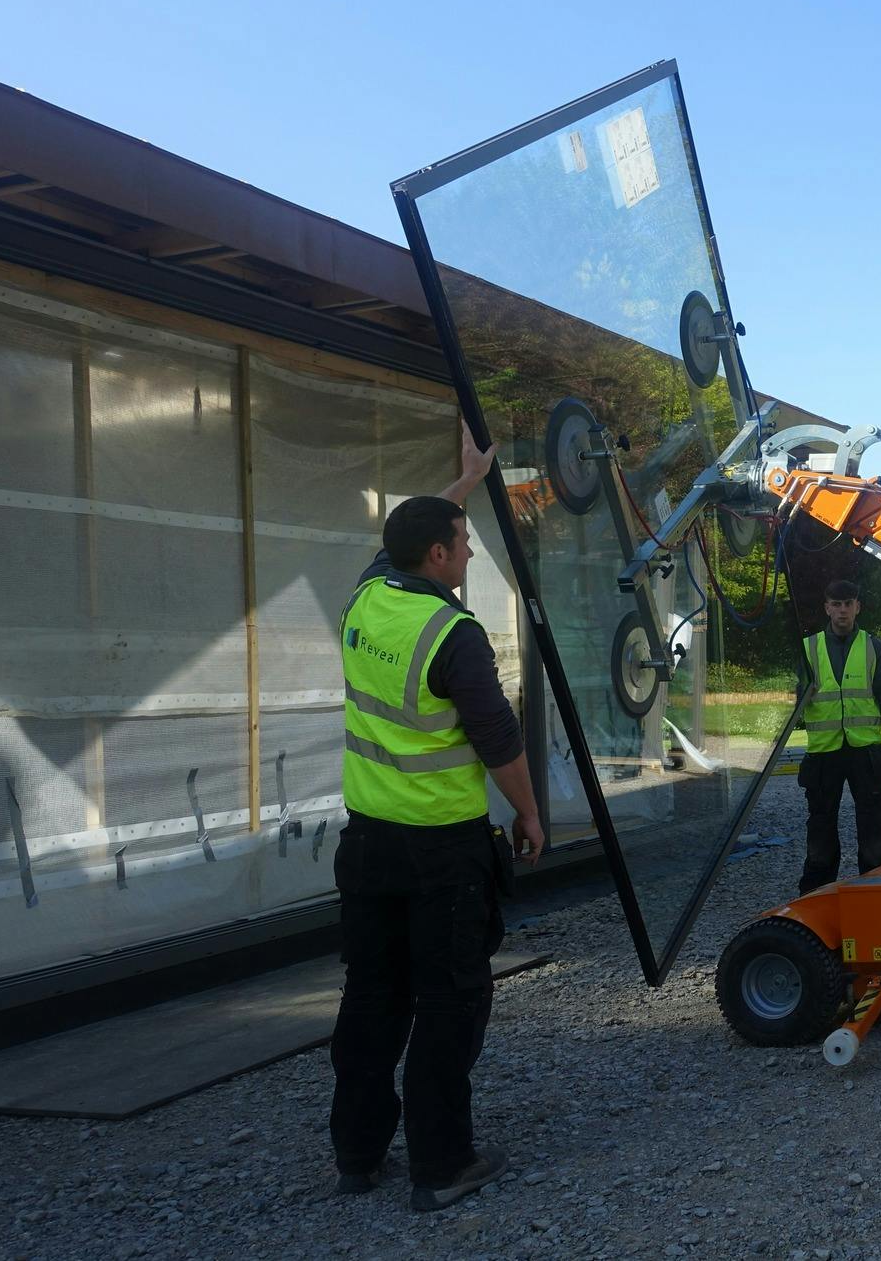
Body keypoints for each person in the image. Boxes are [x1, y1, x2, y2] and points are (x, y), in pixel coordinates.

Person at [329, 433, 546, 1212]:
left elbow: (397, 541)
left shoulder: (365, 599)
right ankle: (441, 1162)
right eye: (461, 545)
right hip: (442, 854)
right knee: (451, 999)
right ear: (437, 556)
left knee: (373, 994)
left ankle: (357, 1153)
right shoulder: (454, 636)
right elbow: (498, 738)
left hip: (368, 848)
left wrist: (467, 481)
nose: (469, 555)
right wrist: (527, 811)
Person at [795, 578, 881, 890]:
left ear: (857, 607)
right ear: (827, 608)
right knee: (820, 825)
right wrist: (803, 695)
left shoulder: (873, 645)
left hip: (865, 750)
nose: (842, 610)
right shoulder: (808, 647)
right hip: (823, 752)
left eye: (848, 604)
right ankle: (816, 895)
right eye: (836, 604)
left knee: (872, 826)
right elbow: (796, 702)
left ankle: (877, 890)